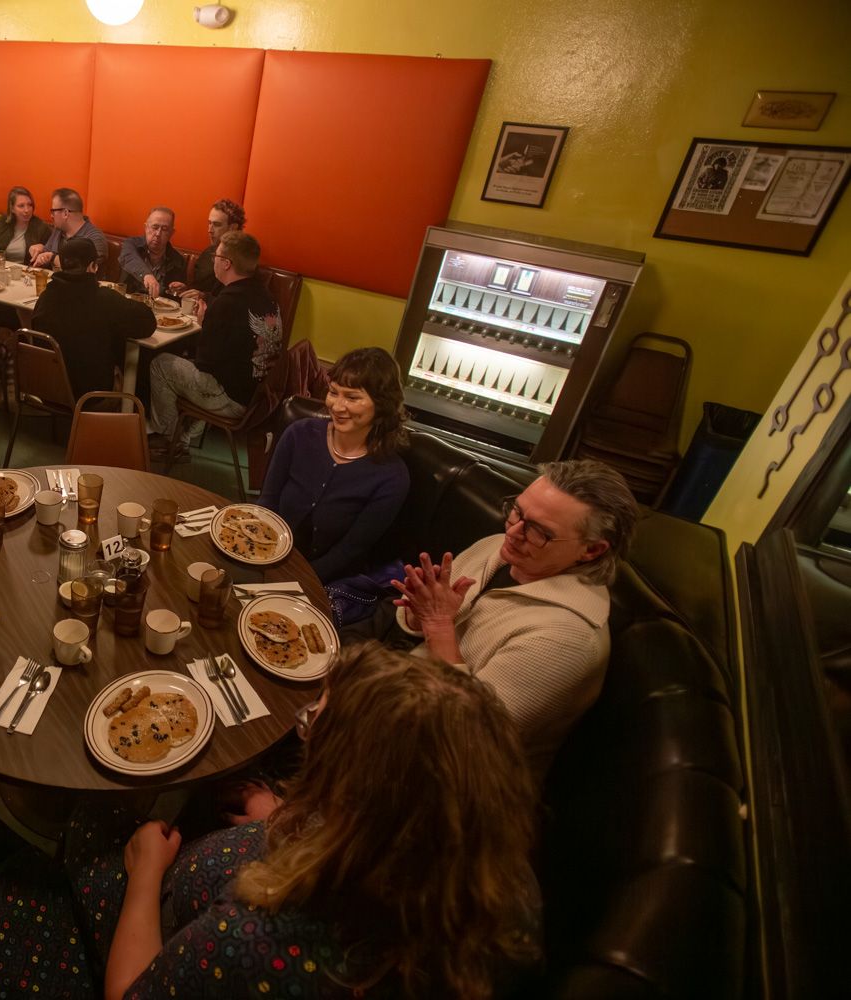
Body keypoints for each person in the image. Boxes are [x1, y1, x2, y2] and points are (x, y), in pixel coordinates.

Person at [0, 643, 541, 999]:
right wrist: (281, 815)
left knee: (97, 817)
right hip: (247, 862)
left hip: (167, 920)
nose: (305, 726)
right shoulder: (499, 880)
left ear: (352, 789)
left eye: (313, 726)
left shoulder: (260, 942)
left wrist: (146, 875)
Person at [387, 459, 638, 776]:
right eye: (517, 512)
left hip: (445, 778)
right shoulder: (501, 548)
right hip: (401, 702)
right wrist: (418, 611)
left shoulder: (567, 640)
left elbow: (467, 737)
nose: (513, 532)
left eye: (540, 532)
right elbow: (421, 631)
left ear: (591, 550)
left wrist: (438, 625)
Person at [259, 348, 411, 622]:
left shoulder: (391, 476)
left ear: (382, 404)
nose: (337, 406)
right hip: (268, 557)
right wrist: (260, 558)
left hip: (326, 581)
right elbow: (267, 503)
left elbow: (350, 551)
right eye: (333, 392)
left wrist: (291, 581)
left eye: (352, 397)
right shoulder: (299, 434)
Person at [149, 230, 282, 456]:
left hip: (232, 399)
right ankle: (185, 437)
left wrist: (205, 324)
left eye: (216, 257)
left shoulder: (227, 303)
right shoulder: (266, 296)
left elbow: (205, 363)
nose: (214, 262)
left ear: (227, 264)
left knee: (161, 363)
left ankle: (168, 439)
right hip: (258, 396)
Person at [31, 238, 155, 398]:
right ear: (92, 266)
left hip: (47, 387)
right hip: (89, 395)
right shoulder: (105, 299)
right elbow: (148, 323)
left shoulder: (46, 297)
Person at [118, 207, 187, 298]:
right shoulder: (131, 245)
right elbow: (128, 258)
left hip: (158, 310)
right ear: (146, 228)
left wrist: (180, 291)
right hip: (127, 303)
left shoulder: (178, 260)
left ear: (171, 233)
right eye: (155, 227)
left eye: (164, 229)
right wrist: (146, 275)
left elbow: (173, 300)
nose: (158, 234)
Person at [31, 187, 107, 269]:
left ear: (65, 213)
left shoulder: (95, 238)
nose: (51, 216)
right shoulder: (58, 230)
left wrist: (53, 257)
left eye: (53, 211)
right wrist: (40, 255)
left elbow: (81, 269)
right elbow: (45, 259)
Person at [189, 198, 245, 301]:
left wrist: (204, 297)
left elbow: (235, 301)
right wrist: (185, 290)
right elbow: (197, 287)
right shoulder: (207, 253)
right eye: (209, 223)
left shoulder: (243, 261)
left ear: (233, 228)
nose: (209, 230)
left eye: (216, 225)